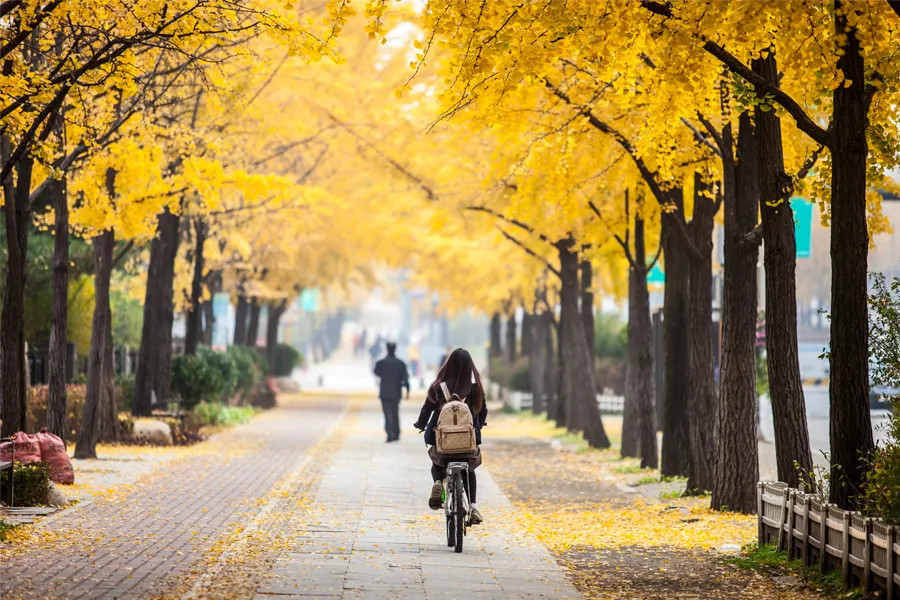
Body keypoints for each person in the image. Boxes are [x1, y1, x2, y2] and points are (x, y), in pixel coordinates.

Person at [413, 348, 487, 525]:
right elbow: (483, 411)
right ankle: (473, 506)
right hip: (467, 442)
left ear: (449, 364)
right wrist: (480, 424)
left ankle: (438, 481)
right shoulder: (475, 388)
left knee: (436, 461)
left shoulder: (438, 386)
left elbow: (427, 409)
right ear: (470, 366)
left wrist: (421, 424)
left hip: (442, 442)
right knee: (469, 469)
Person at [374, 342, 410, 442]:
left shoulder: (381, 363)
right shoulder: (400, 363)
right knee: (395, 412)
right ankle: (396, 432)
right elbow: (405, 378)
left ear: (386, 349)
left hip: (384, 392)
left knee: (387, 413)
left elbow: (376, 372)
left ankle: (389, 432)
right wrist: (407, 390)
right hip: (396, 392)